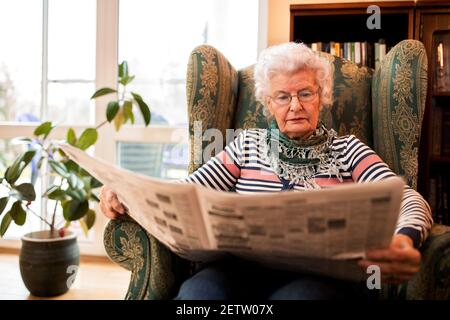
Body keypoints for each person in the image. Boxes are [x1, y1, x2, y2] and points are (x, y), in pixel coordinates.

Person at [99, 42, 433, 300]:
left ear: (322, 96)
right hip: (238, 269)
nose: (295, 106)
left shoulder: (348, 150)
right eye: (282, 96)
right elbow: (187, 191)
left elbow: (408, 199)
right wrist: (123, 194)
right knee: (197, 297)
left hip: (318, 277)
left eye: (305, 93)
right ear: (268, 104)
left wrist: (404, 239)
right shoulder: (246, 146)